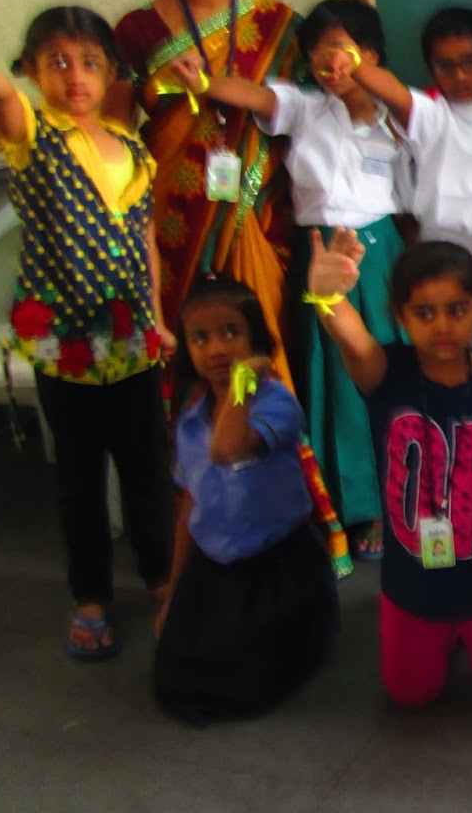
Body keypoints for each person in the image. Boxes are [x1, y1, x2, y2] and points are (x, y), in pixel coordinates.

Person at [0, 10, 174, 661]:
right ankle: (91, 596)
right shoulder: (33, 135)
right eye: (56, 62)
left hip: (131, 336)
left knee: (147, 469)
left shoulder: (132, 147)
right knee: (79, 478)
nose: (74, 76)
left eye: (89, 63)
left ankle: (164, 581)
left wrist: (157, 316)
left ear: (111, 74)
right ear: (31, 70)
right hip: (66, 341)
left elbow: (145, 240)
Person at [169, 0, 410, 566]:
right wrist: (204, 83)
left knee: (383, 370)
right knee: (329, 377)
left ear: (372, 54)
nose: (330, 61)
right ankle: (342, 502)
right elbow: (256, 97)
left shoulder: (398, 115)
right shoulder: (305, 107)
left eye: (342, 48)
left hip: (380, 253)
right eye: (318, 51)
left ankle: (390, 498)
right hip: (319, 252)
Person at [307, 234, 472, 708]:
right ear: (401, 316)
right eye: (424, 313)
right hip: (413, 584)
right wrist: (327, 296)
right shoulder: (387, 373)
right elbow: (353, 343)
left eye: (456, 310)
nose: (442, 326)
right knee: (409, 695)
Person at [110, 0, 300, 384]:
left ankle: (268, 429)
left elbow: (306, 119)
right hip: (172, 212)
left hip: (260, 210)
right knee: (184, 342)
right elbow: (115, 132)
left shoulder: (280, 24)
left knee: (260, 334)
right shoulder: (137, 30)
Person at [153, 276, 340, 724]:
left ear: (255, 339)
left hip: (275, 565)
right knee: (178, 675)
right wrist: (173, 592)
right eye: (200, 338)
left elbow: (228, 450)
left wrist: (243, 383)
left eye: (231, 332)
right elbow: (189, 506)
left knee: (246, 682)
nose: (216, 348)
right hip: (217, 563)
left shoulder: (277, 404)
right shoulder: (191, 420)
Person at [348, 4, 472, 355]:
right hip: (439, 257)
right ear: (431, 70)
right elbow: (392, 92)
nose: (460, 76)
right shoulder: (429, 116)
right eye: (446, 66)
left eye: (471, 62)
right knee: (446, 357)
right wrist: (352, 63)